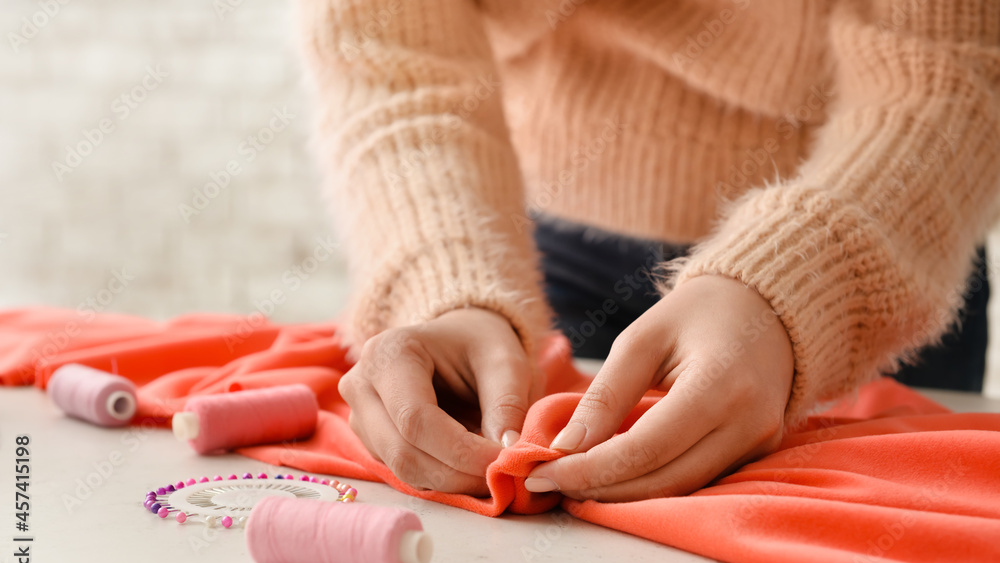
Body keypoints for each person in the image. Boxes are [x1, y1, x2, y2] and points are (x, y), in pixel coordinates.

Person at [297, 0, 1000, 501]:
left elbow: (953, 71)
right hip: (534, 247)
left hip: (875, 250)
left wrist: (796, 287)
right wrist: (444, 285)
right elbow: (388, 53)